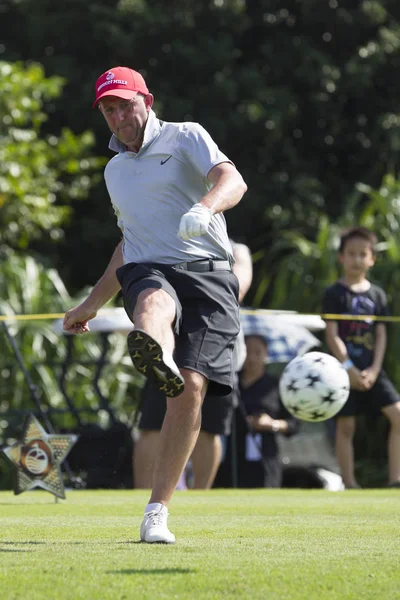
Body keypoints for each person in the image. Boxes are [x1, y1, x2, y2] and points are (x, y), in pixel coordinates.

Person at [63, 66, 247, 543]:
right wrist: (89, 304)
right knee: (150, 297)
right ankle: (156, 349)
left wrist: (204, 208)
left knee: (190, 389)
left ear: (147, 99)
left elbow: (233, 179)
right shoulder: (114, 170)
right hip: (151, 270)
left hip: (208, 274)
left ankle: (157, 512)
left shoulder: (186, 135)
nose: (119, 115)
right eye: (109, 109)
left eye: (126, 104)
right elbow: (129, 243)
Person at [134, 242, 253, 490]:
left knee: (209, 429)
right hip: (170, 345)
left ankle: (200, 497)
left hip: (218, 344)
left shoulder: (237, 250)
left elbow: (236, 289)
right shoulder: (169, 239)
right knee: (152, 426)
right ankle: (143, 495)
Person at [322, 226, 400, 489]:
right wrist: (349, 367)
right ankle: (350, 483)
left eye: (362, 254)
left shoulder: (377, 295)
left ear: (371, 259)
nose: (356, 259)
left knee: (398, 415)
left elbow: (381, 335)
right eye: (351, 254)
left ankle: (396, 480)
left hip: (372, 370)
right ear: (341, 257)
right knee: (346, 427)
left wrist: (375, 369)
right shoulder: (333, 294)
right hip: (344, 371)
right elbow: (332, 336)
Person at [220, 335, 299, 488]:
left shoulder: (276, 386)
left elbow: (294, 424)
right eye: (247, 352)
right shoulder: (229, 383)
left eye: (258, 352)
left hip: (265, 458)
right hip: (231, 458)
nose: (252, 358)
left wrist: (271, 424)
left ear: (266, 355)